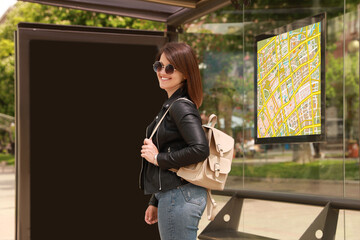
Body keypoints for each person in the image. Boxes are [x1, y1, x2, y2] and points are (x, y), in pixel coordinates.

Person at [140, 42, 209, 240]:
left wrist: (158, 158)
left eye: (170, 67)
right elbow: (175, 149)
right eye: (158, 66)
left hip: (179, 195)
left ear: (185, 73)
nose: (162, 71)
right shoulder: (171, 105)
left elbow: (200, 149)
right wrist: (155, 200)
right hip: (173, 195)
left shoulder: (180, 107)